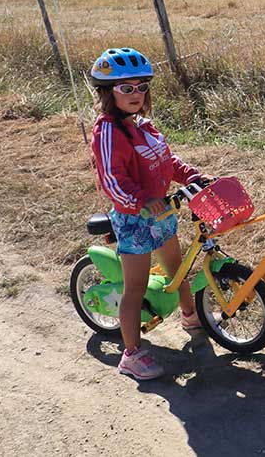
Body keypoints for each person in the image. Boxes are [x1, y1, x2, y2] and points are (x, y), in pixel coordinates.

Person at [89, 47, 208, 380]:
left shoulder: (144, 125)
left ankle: (190, 316)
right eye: (127, 88)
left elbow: (167, 162)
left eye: (142, 86)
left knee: (178, 270)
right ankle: (131, 354)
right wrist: (141, 200)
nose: (136, 94)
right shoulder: (109, 132)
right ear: (108, 92)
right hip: (134, 218)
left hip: (161, 211)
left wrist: (190, 175)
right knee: (135, 287)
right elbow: (113, 180)